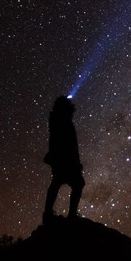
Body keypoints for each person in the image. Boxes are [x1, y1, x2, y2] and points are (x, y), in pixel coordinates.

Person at [43, 95, 85, 224]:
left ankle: (49, 213)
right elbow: (65, 142)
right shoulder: (60, 120)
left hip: (63, 159)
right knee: (75, 184)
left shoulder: (57, 119)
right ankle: (69, 215)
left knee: (58, 183)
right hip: (65, 160)